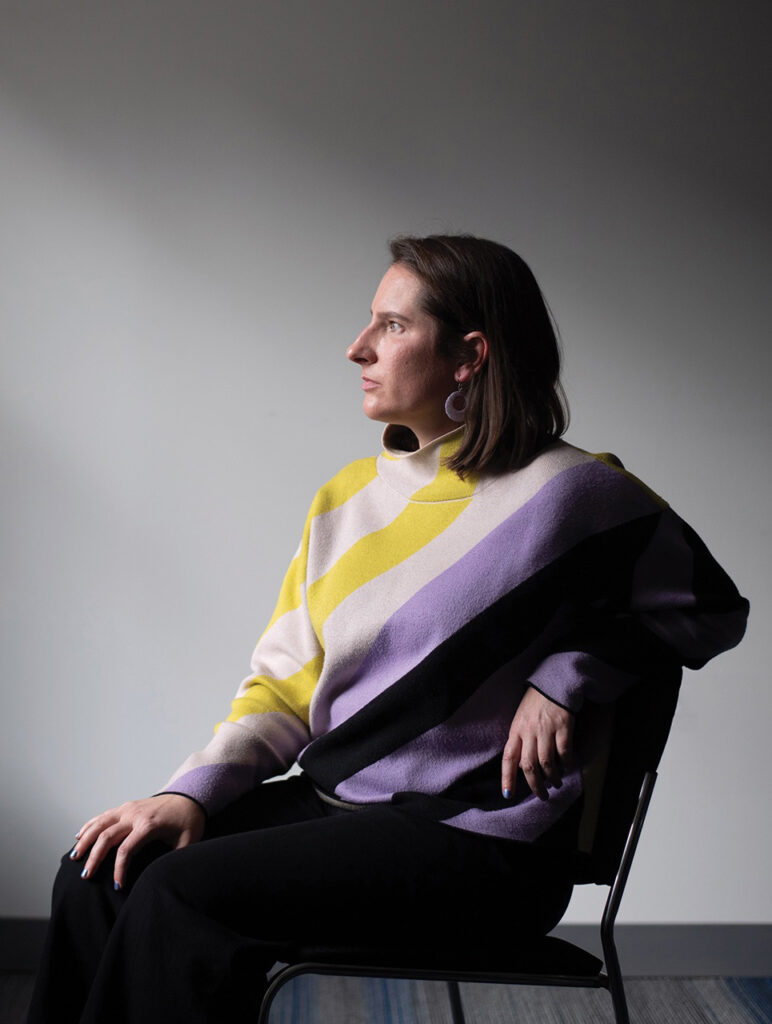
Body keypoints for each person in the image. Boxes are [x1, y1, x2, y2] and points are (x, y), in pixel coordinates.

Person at [27, 235, 749, 1024]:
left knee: (179, 894)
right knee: (103, 871)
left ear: (469, 355)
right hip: (334, 807)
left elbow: (712, 608)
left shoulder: (575, 495)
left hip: (482, 843)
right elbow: (283, 689)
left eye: (393, 325)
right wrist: (185, 793)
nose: (358, 347)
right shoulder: (345, 501)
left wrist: (568, 676)